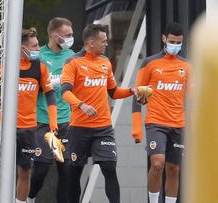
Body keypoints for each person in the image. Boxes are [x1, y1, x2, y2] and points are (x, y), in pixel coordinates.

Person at [60, 24, 140, 203]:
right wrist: (81, 105)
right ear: (91, 42)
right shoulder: (73, 62)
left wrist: (131, 91)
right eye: (103, 41)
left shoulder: (105, 63)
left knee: (109, 167)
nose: (106, 44)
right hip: (79, 128)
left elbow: (113, 92)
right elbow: (64, 92)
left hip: (103, 128)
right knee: (74, 172)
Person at [0, 27, 58, 203]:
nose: (39, 49)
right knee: (6, 169)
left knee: (25, 170)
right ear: (22, 48)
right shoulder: (3, 68)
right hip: (6, 126)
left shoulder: (40, 67)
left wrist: (53, 121)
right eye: (35, 46)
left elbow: (50, 93)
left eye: (38, 45)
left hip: (29, 128)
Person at [131, 22, 191, 203]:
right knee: (157, 164)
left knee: (174, 169)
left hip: (179, 124)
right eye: (172, 41)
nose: (175, 45)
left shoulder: (187, 66)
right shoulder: (150, 63)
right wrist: (136, 129)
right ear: (164, 39)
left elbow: (194, 97)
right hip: (156, 122)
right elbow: (137, 96)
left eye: (179, 42)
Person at [27, 17, 75, 203]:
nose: (72, 38)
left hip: (64, 123)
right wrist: (51, 82)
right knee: (41, 169)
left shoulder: (71, 56)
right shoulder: (39, 57)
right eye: (68, 35)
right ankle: (29, 198)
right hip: (43, 123)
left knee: (66, 170)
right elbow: (30, 86)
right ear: (56, 36)